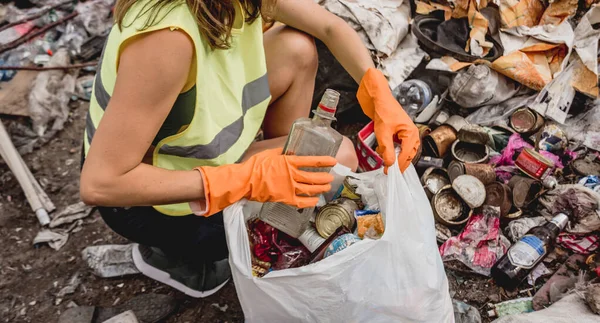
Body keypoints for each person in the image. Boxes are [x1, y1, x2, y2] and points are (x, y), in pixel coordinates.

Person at [79, 0, 419, 298]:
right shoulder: (167, 40)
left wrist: (378, 92)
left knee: (297, 47)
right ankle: (175, 259)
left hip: (193, 146)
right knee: (339, 157)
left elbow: (329, 26)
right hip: (152, 204)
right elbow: (100, 183)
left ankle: (279, 183)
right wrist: (246, 180)